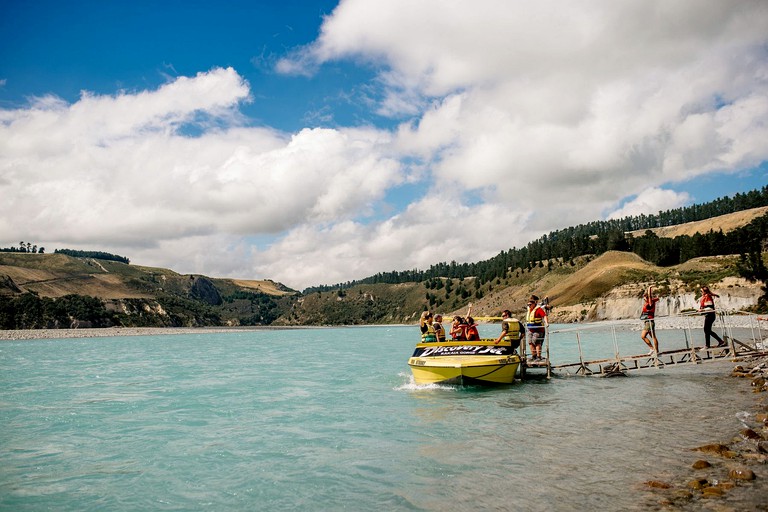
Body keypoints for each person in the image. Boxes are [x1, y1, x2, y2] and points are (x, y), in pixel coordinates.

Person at [525, 295, 548, 360]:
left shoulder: (539, 309)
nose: (529, 305)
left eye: (530, 304)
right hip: (530, 329)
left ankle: (538, 356)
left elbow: (544, 316)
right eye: (528, 304)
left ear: (534, 303)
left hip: (538, 329)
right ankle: (534, 356)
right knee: (530, 342)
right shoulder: (529, 309)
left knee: (536, 342)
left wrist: (546, 323)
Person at [640, 285, 660, 355]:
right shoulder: (649, 303)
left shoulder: (650, 303)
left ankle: (652, 348)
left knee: (643, 336)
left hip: (649, 322)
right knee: (653, 336)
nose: (644, 298)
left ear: (648, 297)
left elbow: (649, 294)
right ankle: (656, 351)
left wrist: (649, 287)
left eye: (645, 297)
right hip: (649, 322)